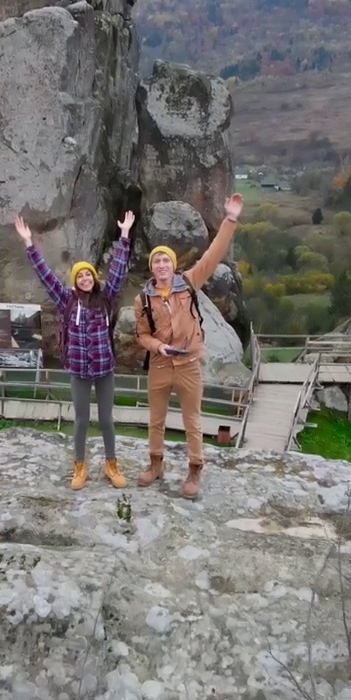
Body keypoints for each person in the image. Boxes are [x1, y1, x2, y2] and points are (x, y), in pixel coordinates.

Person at [133, 193, 244, 500]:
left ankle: (195, 469)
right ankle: (155, 464)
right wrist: (157, 347)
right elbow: (141, 335)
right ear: (152, 268)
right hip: (159, 365)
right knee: (155, 420)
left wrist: (230, 219)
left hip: (189, 366)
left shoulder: (189, 282)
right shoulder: (142, 299)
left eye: (166, 259)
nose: (162, 264)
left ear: (173, 264)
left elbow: (213, 256)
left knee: (192, 421)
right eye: (157, 260)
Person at [16, 210, 135, 490]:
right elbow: (45, 277)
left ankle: (111, 464)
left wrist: (125, 236)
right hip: (79, 371)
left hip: (105, 370)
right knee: (81, 421)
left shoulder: (106, 299)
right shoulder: (66, 301)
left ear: (94, 279)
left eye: (88, 275)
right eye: (80, 276)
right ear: (75, 281)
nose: (84, 279)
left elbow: (118, 271)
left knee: (106, 420)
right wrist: (29, 244)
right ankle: (79, 467)